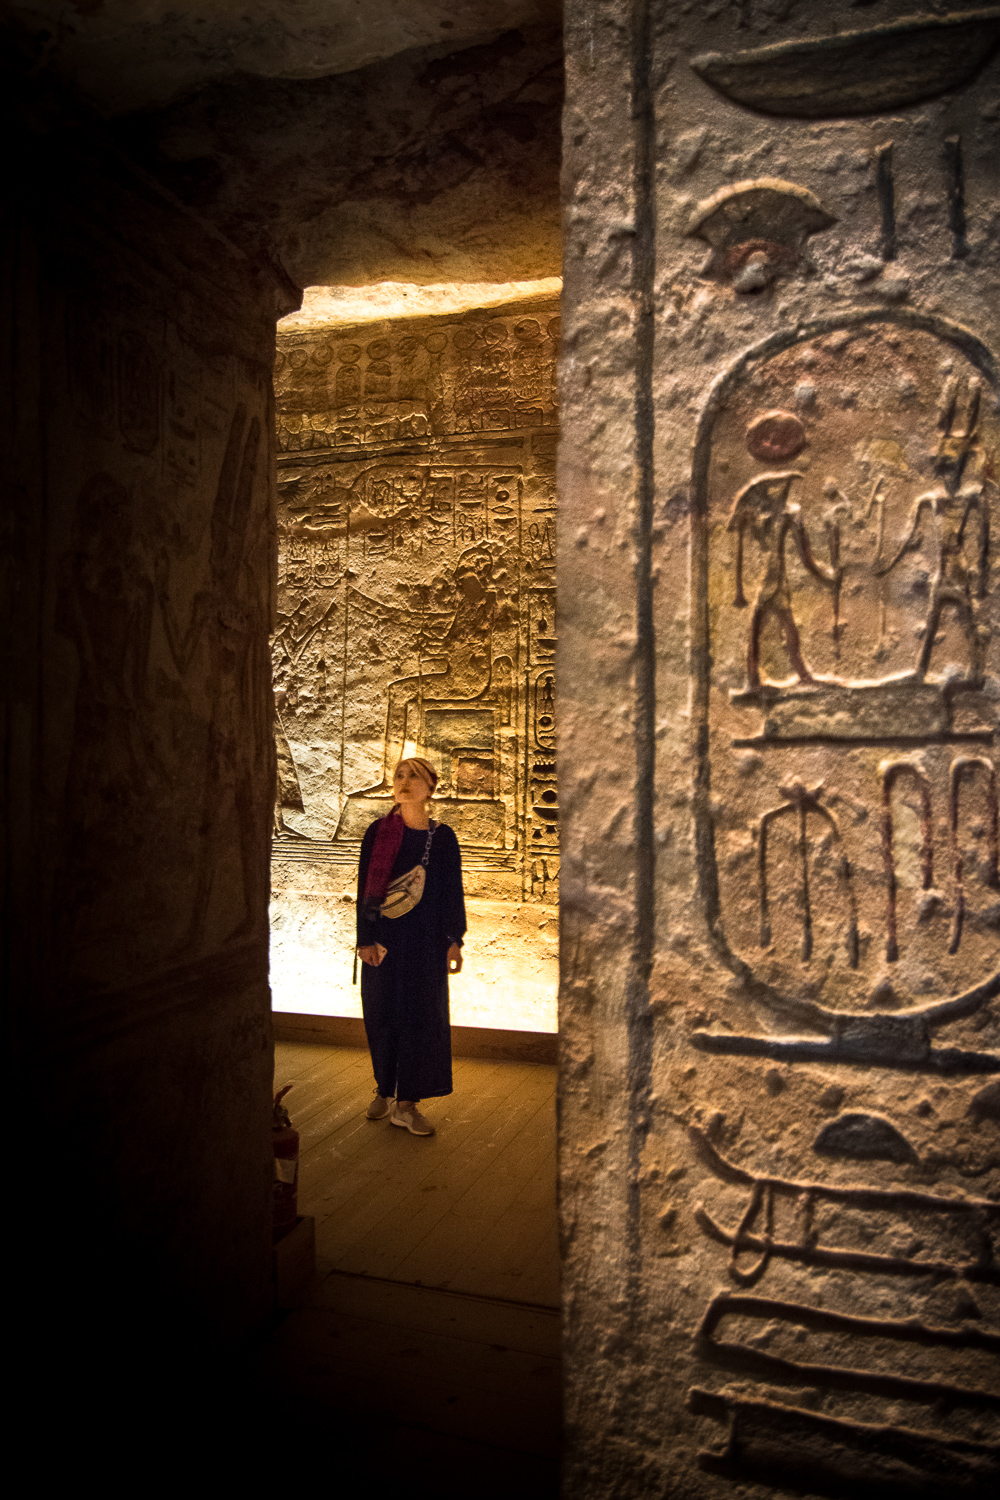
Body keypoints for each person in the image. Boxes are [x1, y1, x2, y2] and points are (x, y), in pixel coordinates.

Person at [355, 757, 466, 1136]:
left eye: (414, 776)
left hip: (425, 944)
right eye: (399, 775)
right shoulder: (378, 832)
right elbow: (364, 890)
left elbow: (452, 894)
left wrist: (454, 941)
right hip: (384, 942)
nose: (404, 782)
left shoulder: (443, 837)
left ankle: (407, 1103)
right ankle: (384, 1089)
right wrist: (364, 939)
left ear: (430, 787)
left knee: (420, 1019)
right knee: (382, 1015)